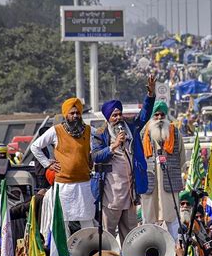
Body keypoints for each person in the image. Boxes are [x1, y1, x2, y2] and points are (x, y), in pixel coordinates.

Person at [91, 76, 156, 244]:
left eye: (119, 114)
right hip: (111, 193)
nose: (118, 118)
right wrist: (113, 146)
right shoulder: (100, 134)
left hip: (130, 192)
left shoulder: (131, 127)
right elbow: (95, 157)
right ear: (108, 118)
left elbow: (145, 114)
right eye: (114, 115)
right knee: (108, 233)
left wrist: (150, 95)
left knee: (130, 234)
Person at [31, 97, 94, 235]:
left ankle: (89, 253)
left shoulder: (88, 130)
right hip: (64, 186)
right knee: (63, 222)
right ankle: (63, 255)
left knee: (87, 220)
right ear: (66, 115)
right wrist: (48, 164)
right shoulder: (56, 131)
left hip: (84, 184)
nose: (75, 116)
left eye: (78, 113)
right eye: (72, 113)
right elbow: (35, 147)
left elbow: (98, 145)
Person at [140, 100, 186, 239]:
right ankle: (149, 246)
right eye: (156, 115)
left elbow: (182, 158)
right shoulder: (144, 133)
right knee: (148, 217)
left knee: (172, 218)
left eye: (162, 115)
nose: (159, 118)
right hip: (149, 181)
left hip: (169, 181)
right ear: (152, 116)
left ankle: (176, 250)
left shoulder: (175, 133)